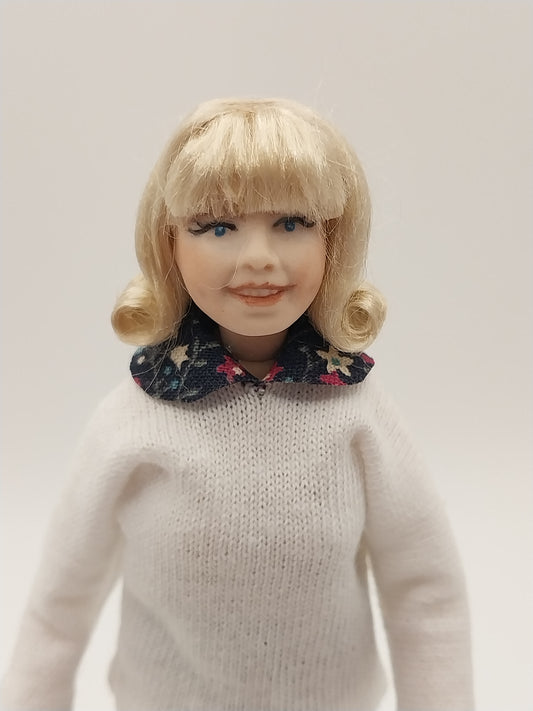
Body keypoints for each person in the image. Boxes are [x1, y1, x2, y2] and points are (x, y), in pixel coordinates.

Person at [1, 98, 474, 711]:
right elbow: (59, 608)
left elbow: (425, 594)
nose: (258, 258)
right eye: (217, 227)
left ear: (334, 238)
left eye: (293, 222)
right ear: (169, 243)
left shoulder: (358, 415)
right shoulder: (134, 420)